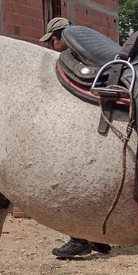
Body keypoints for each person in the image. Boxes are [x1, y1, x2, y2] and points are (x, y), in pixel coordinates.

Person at [39, 17, 112, 259]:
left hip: (81, 135)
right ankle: (99, 237)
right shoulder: (90, 57)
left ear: (62, 37)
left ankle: (79, 239)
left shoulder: (75, 63)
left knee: (74, 185)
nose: (51, 45)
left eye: (52, 40)